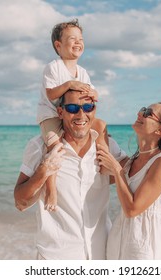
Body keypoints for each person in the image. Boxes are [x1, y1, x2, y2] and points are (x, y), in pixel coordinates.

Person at [14, 90, 126, 260]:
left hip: (101, 253)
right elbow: (20, 202)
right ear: (60, 112)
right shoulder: (39, 147)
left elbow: (136, 173)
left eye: (88, 107)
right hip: (57, 256)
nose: (81, 114)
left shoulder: (107, 146)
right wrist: (44, 170)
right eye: (73, 108)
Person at [97, 102, 161, 259]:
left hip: (145, 241)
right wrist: (101, 133)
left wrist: (117, 171)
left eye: (148, 113)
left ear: (160, 130)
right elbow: (101, 171)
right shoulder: (132, 161)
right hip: (119, 237)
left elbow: (132, 209)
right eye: (142, 110)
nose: (140, 113)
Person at [36, 19, 109, 212]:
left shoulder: (82, 72)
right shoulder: (53, 67)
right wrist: (69, 84)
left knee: (101, 124)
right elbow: (51, 94)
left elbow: (91, 92)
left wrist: (94, 94)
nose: (78, 42)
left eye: (81, 39)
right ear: (58, 45)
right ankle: (51, 187)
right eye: (72, 39)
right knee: (55, 147)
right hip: (51, 114)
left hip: (73, 116)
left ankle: (103, 162)